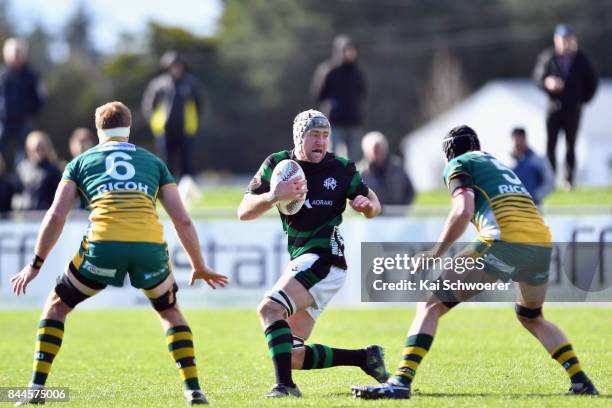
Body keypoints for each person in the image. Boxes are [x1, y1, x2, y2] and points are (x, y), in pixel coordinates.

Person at [352, 125, 598, 399]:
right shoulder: (495, 162)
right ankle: (581, 381)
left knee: (431, 303)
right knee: (531, 316)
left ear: (449, 153)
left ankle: (400, 381)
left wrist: (436, 252)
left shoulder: (459, 163)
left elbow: (463, 210)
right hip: (541, 242)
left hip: (503, 241)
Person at [10, 101, 228, 406]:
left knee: (57, 305)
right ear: (129, 129)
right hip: (149, 248)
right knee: (169, 311)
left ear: (99, 130)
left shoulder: (80, 162)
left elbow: (56, 216)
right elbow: (183, 219)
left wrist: (35, 265)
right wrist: (199, 264)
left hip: (103, 247)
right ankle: (193, 390)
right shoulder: (154, 162)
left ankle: (35, 390)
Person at [237, 109, 386, 398]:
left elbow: (373, 202)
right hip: (303, 259)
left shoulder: (341, 168)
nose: (321, 141)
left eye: (325, 135)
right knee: (291, 353)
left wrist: (369, 208)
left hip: (325, 258)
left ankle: (285, 387)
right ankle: (364, 358)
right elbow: (243, 211)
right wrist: (273, 196)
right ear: (299, 137)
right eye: (314, 135)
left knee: (269, 309)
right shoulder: (277, 164)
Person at [533, 24, 598, 190]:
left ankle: (569, 180)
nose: (565, 43)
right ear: (556, 40)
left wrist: (582, 101)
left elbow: (592, 83)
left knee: (571, 145)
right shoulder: (548, 57)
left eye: (568, 40)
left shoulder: (582, 59)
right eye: (562, 40)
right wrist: (548, 82)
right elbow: (538, 77)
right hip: (553, 108)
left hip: (573, 109)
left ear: (573, 40)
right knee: (551, 145)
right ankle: (550, 178)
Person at [141, 51, 203, 179]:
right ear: (167, 68)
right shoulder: (158, 85)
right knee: (165, 162)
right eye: (173, 66)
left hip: (186, 130)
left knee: (187, 163)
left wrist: (195, 122)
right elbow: (148, 106)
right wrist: (154, 122)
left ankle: (187, 190)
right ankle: (166, 189)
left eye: (178, 66)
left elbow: (199, 105)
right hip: (164, 130)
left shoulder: (191, 84)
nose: (176, 69)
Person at [312, 35, 367, 161]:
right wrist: (330, 107)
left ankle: (350, 181)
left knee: (354, 160)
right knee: (332, 156)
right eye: (348, 50)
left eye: (353, 50)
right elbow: (318, 95)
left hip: (354, 121)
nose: (351, 53)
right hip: (334, 122)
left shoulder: (357, 72)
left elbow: (362, 94)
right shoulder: (328, 70)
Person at [0, 38, 45, 170]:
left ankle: (21, 181)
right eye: (14, 52)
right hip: (4, 121)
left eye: (19, 52)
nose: (16, 55)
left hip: (23, 121)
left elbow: (40, 97)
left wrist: (32, 113)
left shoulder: (31, 76)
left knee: (24, 153)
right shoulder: (2, 75)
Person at [358, 131, 415, 211]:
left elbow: (410, 191)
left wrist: (402, 209)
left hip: (397, 216)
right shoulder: (360, 173)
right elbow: (354, 199)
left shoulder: (398, 167)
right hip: (371, 219)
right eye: (374, 150)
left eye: (378, 149)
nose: (376, 154)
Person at [14, 131, 62, 211]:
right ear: (28, 149)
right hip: (25, 215)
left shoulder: (54, 170)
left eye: (42, 148)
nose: (38, 152)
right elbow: (16, 193)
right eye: (36, 149)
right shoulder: (22, 168)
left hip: (44, 214)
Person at [509, 127, 555, 206]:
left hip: (534, 207)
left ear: (524, 139)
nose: (517, 145)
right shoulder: (507, 162)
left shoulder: (538, 159)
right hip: (512, 207)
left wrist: (535, 196)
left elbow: (550, 181)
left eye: (519, 141)